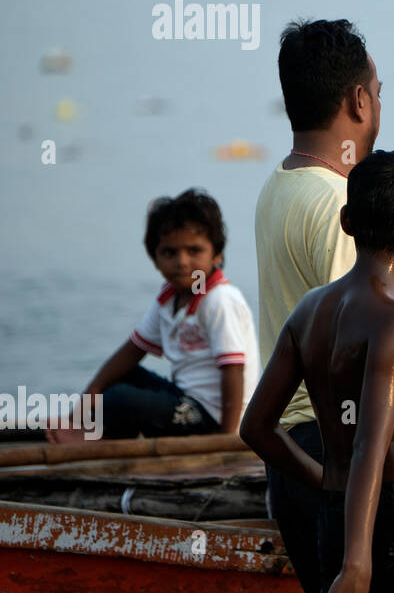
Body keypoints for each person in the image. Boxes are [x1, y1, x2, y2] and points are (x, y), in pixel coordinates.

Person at [254, 18, 394, 593]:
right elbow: (369, 360)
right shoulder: (334, 204)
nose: (379, 105)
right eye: (377, 93)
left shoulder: (281, 184)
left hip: (314, 463)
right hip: (358, 463)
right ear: (357, 99)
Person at [48, 189, 256, 443]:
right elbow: (131, 351)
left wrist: (225, 441)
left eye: (194, 250)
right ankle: (96, 435)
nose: (182, 262)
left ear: (217, 254)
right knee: (120, 375)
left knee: (122, 400)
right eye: (170, 253)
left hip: (213, 418)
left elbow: (233, 370)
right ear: (155, 259)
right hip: (185, 401)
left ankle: (95, 442)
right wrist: (79, 411)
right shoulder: (168, 300)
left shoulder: (220, 299)